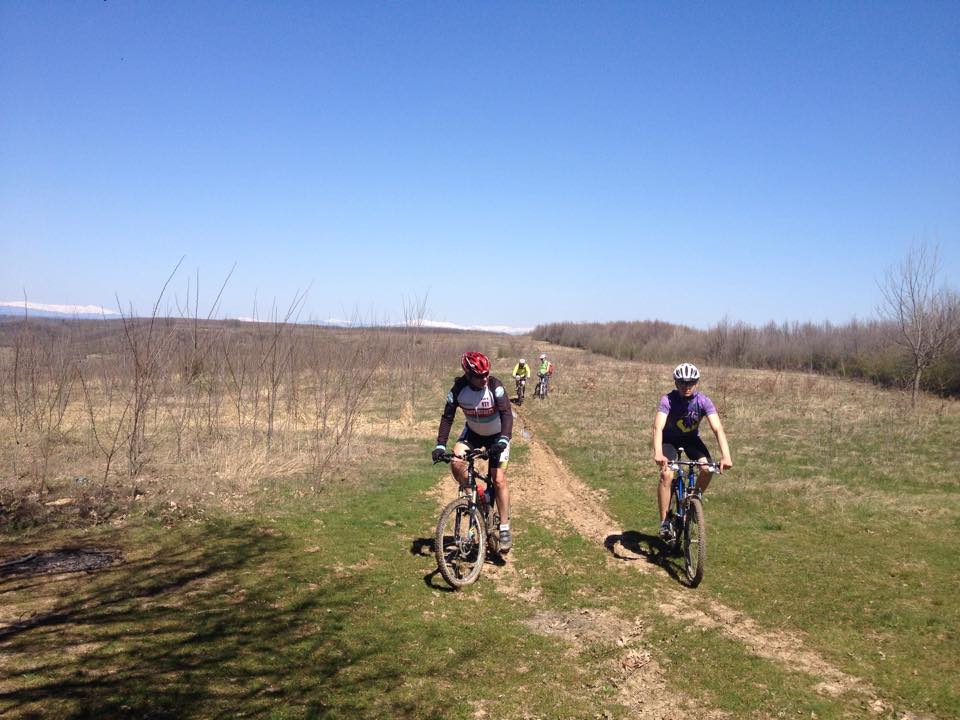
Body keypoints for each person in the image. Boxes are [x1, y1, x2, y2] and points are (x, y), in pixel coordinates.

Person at [432, 351, 515, 552]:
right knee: (456, 462)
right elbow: (447, 417)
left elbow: (507, 414)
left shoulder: (495, 386)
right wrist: (440, 445)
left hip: (497, 435)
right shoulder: (458, 389)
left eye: (487, 373)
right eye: (479, 376)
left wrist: (504, 439)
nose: (485, 378)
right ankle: (476, 499)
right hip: (473, 433)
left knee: (498, 479)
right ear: (468, 375)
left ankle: (504, 527)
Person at [652, 362, 733, 540]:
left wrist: (726, 456)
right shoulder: (668, 400)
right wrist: (658, 452)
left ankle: (693, 502)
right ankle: (664, 522)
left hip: (691, 440)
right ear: (676, 383)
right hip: (669, 441)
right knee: (667, 474)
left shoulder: (703, 401)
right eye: (682, 383)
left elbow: (717, 428)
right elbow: (658, 427)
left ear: (696, 383)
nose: (686, 387)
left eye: (691, 383)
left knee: (707, 469)